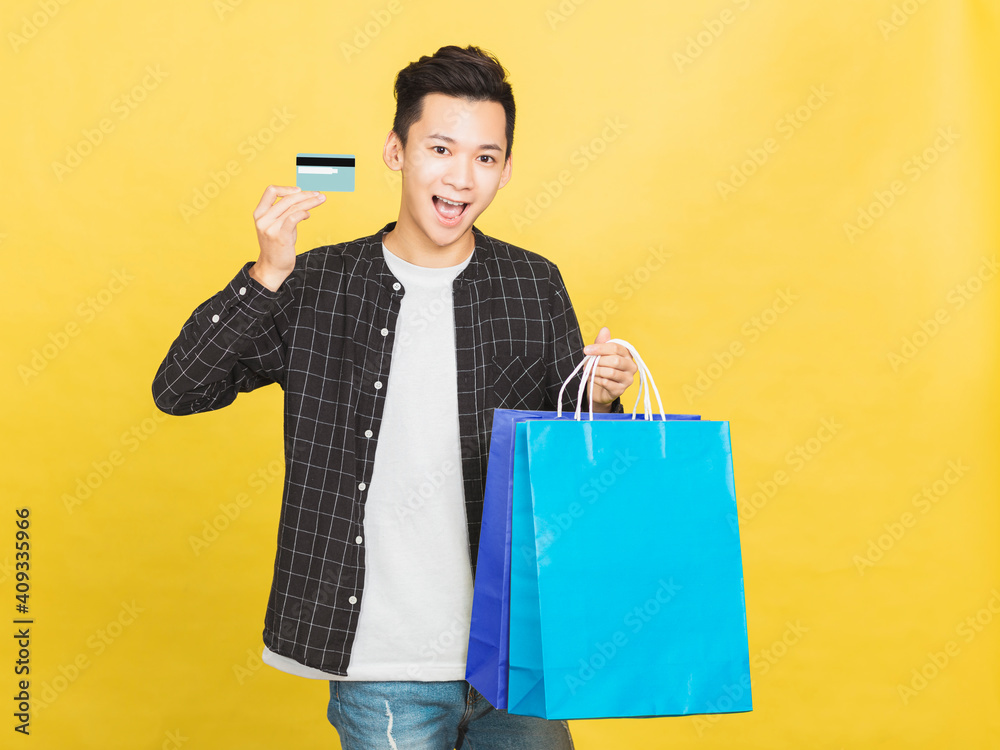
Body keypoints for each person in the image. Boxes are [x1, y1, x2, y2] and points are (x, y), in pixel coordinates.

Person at [152, 44, 637, 749]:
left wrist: (600, 398)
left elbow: (573, 470)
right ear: (395, 152)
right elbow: (180, 389)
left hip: (515, 653)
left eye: (486, 157)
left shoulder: (533, 284)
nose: (461, 177)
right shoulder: (318, 284)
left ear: (504, 168)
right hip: (381, 662)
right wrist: (264, 275)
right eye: (441, 148)